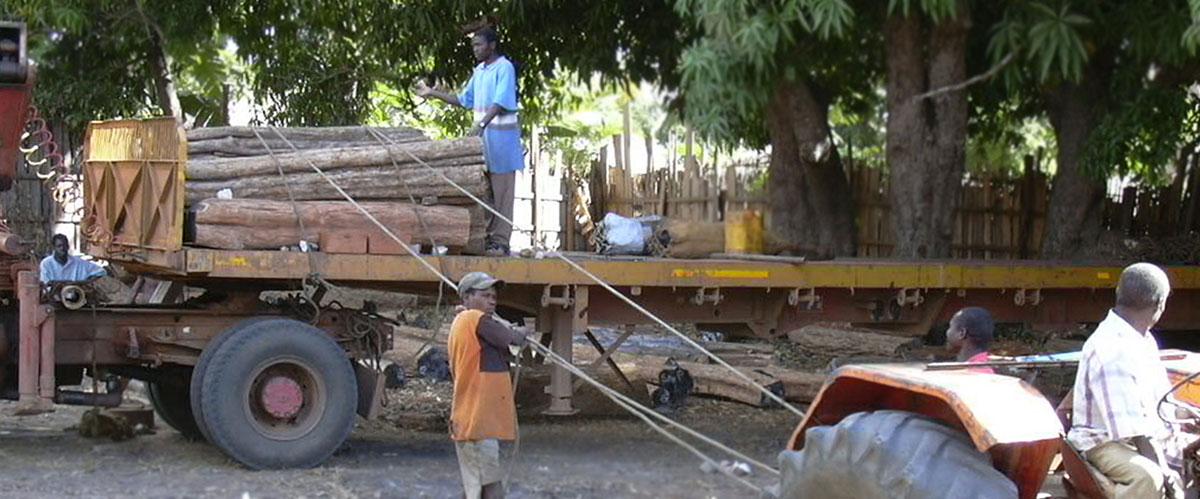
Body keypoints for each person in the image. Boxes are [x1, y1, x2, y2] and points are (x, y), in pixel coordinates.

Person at [1066, 262, 1184, 499]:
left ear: (1119, 295)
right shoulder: (1112, 349)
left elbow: (1160, 405)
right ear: (1160, 304)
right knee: (1149, 477)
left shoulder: (1143, 340)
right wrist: (1165, 471)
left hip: (1136, 436)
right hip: (1104, 443)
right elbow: (1134, 430)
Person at [416, 26, 523, 257]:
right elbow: (465, 100)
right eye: (473, 45)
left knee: (503, 193)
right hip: (483, 142)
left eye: (479, 45)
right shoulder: (480, 71)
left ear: (492, 45)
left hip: (502, 140)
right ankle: (483, 239)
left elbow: (501, 101)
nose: (475, 49)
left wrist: (481, 124)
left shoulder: (504, 68)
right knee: (484, 193)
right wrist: (433, 93)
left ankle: (500, 241)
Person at [447, 271, 528, 499]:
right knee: (490, 486)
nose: (492, 300)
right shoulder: (475, 319)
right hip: (477, 420)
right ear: (467, 298)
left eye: (493, 296)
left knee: (476, 487)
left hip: (473, 419)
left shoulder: (466, 322)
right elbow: (509, 339)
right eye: (485, 295)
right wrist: (521, 332)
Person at [945, 307, 995, 374]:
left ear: (962, 333)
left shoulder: (976, 374)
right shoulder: (985, 368)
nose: (947, 332)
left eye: (950, 326)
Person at [39, 233, 105, 284]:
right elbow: (45, 283)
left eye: (65, 245)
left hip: (76, 297)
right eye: (59, 246)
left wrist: (86, 282)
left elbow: (101, 272)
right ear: (54, 248)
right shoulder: (46, 263)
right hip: (53, 298)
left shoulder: (79, 262)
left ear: (68, 246)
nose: (62, 248)